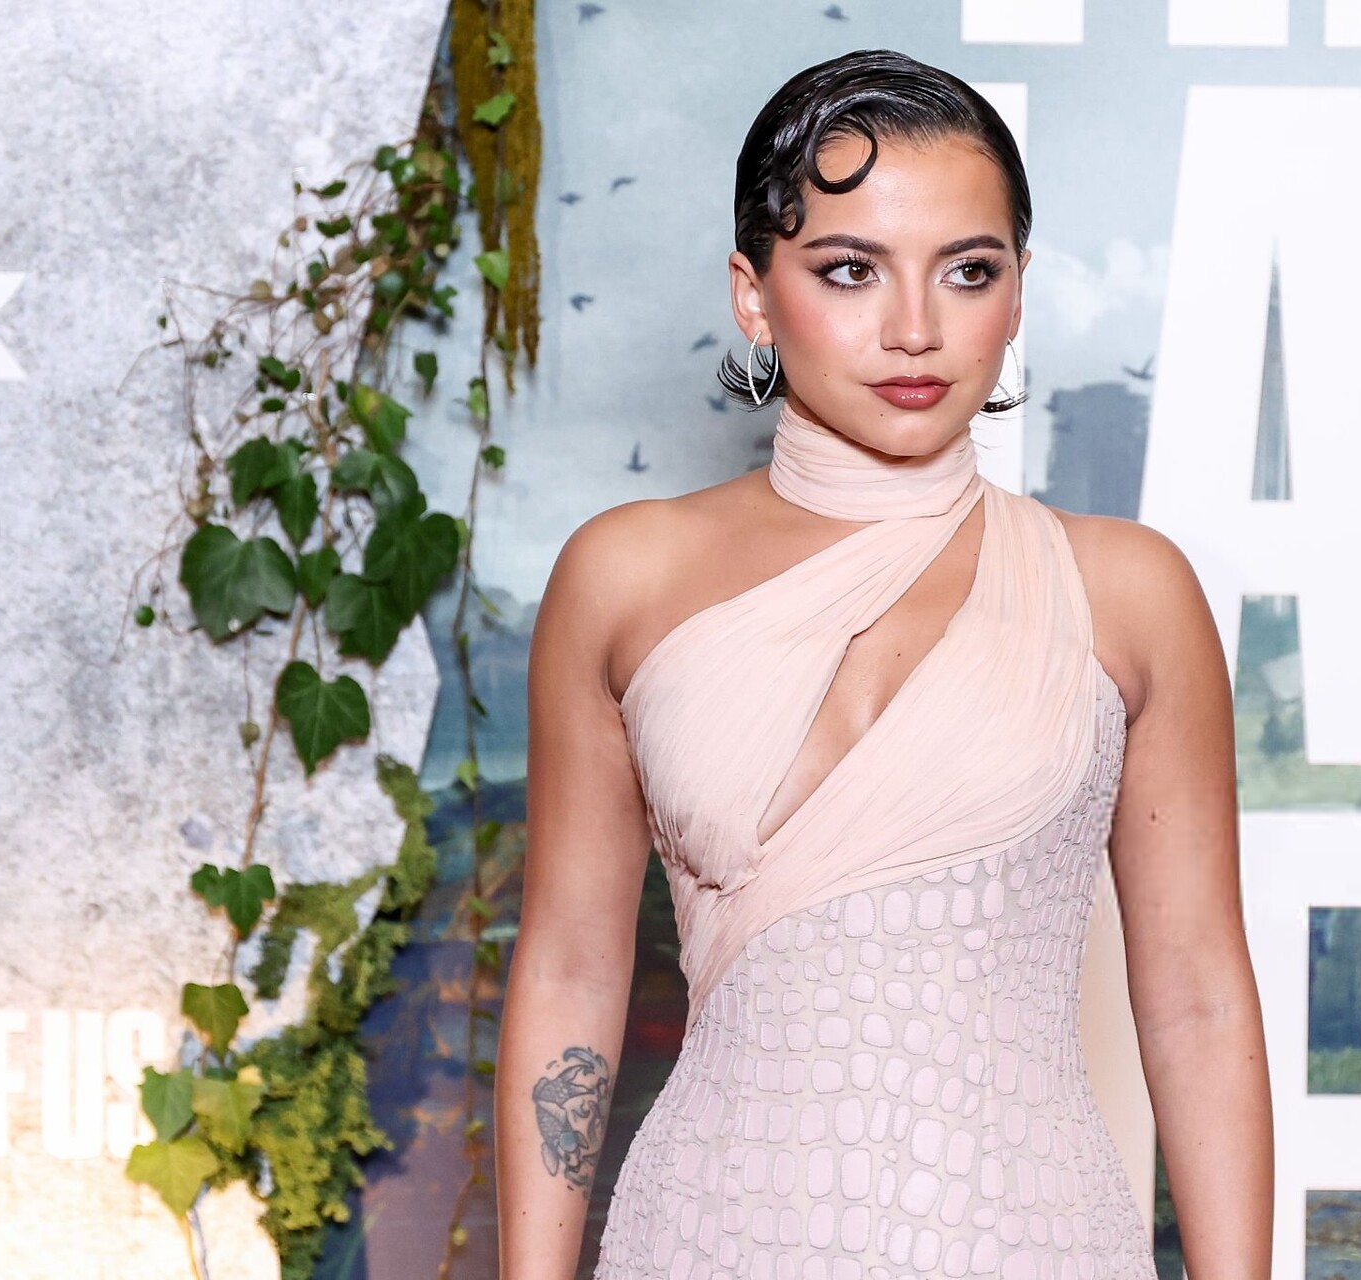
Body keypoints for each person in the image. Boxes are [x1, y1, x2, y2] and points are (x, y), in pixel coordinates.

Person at [497, 47, 1273, 1280]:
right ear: (754, 293)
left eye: (968, 271)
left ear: (1018, 292)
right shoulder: (624, 576)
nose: (915, 329)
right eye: (850, 269)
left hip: (1037, 1244)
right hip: (709, 1240)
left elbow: (1197, 995)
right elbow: (571, 967)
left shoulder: (1129, 592)